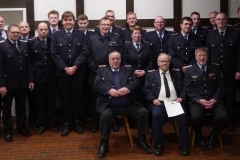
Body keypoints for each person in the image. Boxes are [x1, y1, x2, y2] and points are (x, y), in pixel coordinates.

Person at [93, 51, 152, 158]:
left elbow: (137, 83)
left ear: (121, 60)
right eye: (113, 59)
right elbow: (96, 85)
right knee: (105, 116)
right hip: (110, 105)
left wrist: (128, 89)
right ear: (109, 60)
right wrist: (109, 90)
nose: (115, 61)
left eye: (118, 59)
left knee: (143, 112)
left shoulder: (128, 70)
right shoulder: (102, 71)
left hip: (128, 105)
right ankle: (104, 144)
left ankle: (142, 141)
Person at [143, 53, 189, 156]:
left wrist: (181, 97)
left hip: (174, 102)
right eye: (162, 61)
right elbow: (146, 89)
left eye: (167, 61)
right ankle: (159, 144)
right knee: (156, 115)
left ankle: (184, 145)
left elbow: (185, 87)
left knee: (182, 117)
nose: (165, 63)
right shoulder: (151, 74)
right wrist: (153, 99)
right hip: (159, 102)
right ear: (158, 63)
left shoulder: (177, 73)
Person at [51, 11, 88, 136]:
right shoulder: (56, 35)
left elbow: (84, 52)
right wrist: (65, 68)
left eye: (70, 20)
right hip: (63, 73)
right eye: (66, 20)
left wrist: (75, 67)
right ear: (62, 22)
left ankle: (77, 122)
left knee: (77, 99)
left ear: (74, 22)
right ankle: (67, 123)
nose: (68, 22)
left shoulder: (81, 34)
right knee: (65, 99)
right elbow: (54, 53)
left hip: (78, 72)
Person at [184, 46, 228, 150]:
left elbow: (221, 87)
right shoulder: (190, 70)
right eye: (200, 55)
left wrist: (215, 99)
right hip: (198, 101)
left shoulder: (215, 68)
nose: (202, 58)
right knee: (195, 118)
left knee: (224, 117)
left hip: (214, 100)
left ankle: (213, 136)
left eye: (204, 55)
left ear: (207, 57)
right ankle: (199, 137)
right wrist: (199, 100)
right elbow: (188, 88)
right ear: (196, 57)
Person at [206, 12, 240, 131]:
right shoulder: (210, 35)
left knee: (230, 97)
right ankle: (220, 120)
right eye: (218, 19)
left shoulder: (235, 33)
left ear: (227, 21)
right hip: (214, 73)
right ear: (215, 21)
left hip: (230, 72)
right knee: (217, 96)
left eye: (223, 19)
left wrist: (238, 70)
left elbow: (238, 54)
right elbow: (207, 54)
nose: (220, 21)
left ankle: (231, 120)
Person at [87, 17, 122, 133]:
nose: (106, 26)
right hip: (95, 72)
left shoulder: (116, 38)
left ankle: (113, 122)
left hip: (111, 73)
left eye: (108, 25)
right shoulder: (91, 38)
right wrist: (95, 68)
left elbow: (120, 55)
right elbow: (87, 55)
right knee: (94, 98)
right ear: (99, 26)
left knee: (111, 97)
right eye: (104, 25)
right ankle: (95, 122)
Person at [0, 24, 34, 142]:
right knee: (7, 108)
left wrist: (30, 80)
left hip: (22, 83)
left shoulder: (24, 45)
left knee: (21, 107)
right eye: (13, 32)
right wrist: (1, 85)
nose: (16, 34)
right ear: (8, 32)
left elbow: (28, 64)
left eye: (17, 32)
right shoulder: (2, 46)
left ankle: (22, 127)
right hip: (8, 84)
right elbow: (0, 67)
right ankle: (8, 131)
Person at [28, 22, 59, 135]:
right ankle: (42, 124)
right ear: (37, 30)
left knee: (51, 102)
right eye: (41, 29)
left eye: (45, 29)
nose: (43, 31)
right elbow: (29, 62)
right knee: (40, 102)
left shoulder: (53, 41)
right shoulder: (31, 43)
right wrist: (31, 78)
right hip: (38, 77)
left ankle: (52, 123)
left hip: (51, 77)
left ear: (48, 30)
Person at [123, 25, 153, 106]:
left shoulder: (147, 45)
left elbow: (151, 60)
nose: (137, 35)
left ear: (141, 35)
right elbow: (124, 62)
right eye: (135, 33)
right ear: (131, 35)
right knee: (134, 97)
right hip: (131, 77)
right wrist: (133, 71)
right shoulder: (126, 46)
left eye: (139, 33)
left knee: (145, 97)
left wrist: (145, 71)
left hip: (145, 77)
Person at [19, 21, 37, 128]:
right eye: (22, 27)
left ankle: (33, 120)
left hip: (32, 75)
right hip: (20, 76)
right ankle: (22, 122)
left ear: (29, 28)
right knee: (21, 102)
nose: (24, 28)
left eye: (26, 26)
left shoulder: (34, 40)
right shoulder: (16, 40)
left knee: (33, 100)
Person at [77, 14, 94, 125]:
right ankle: (81, 116)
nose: (83, 25)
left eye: (84, 23)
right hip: (79, 68)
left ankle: (91, 115)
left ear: (88, 23)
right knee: (80, 94)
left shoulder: (93, 34)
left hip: (91, 69)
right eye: (81, 23)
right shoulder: (75, 34)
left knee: (91, 93)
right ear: (77, 23)